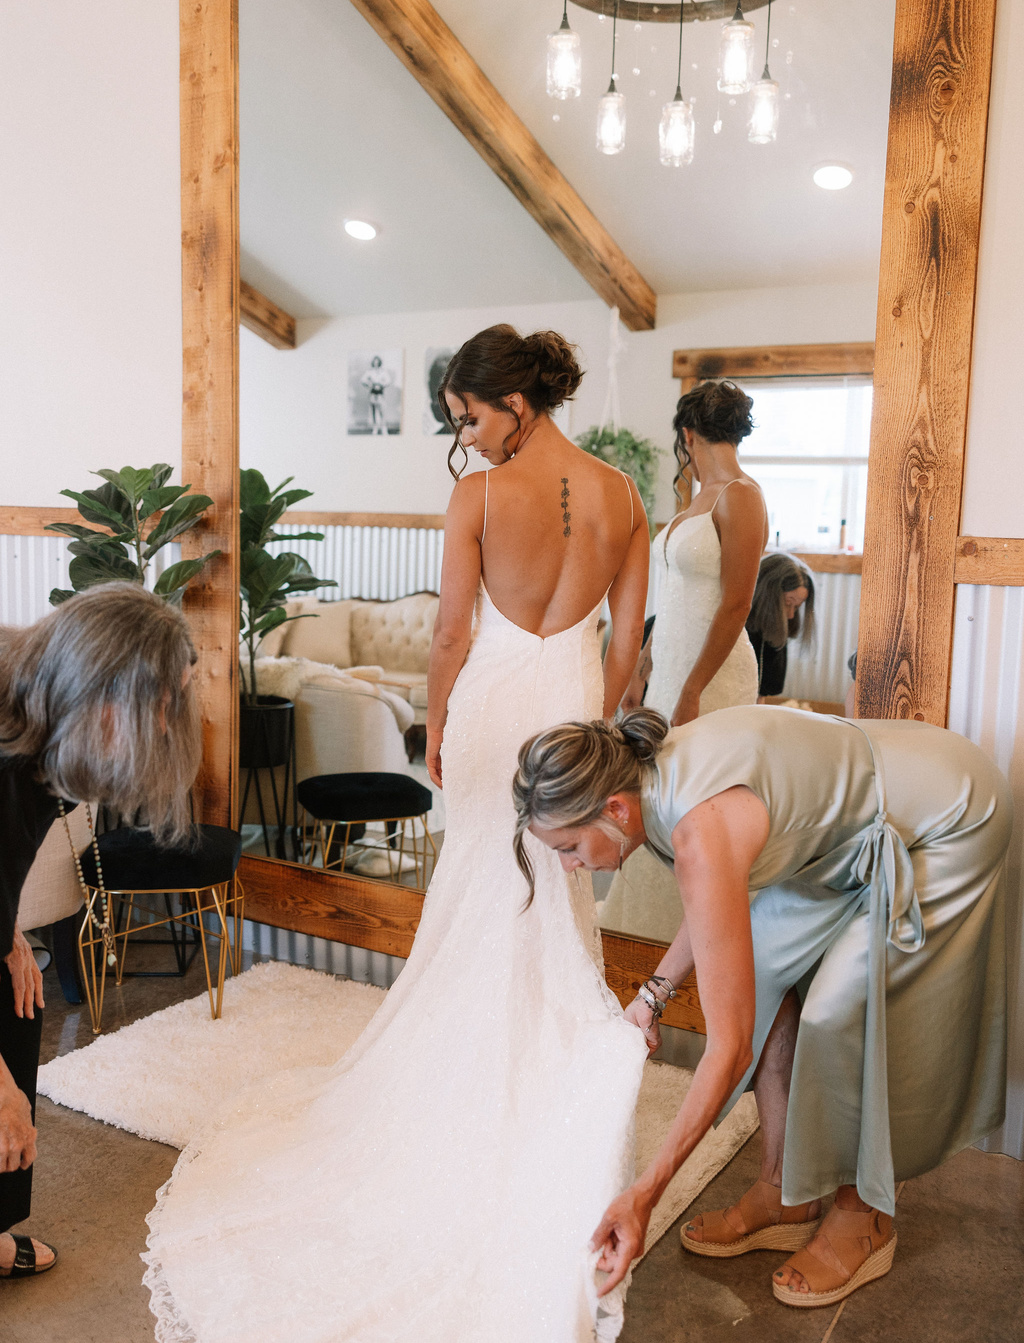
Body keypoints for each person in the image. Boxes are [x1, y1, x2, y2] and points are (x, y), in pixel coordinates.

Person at [143, 324, 652, 1341]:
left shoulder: (478, 498)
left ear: (517, 401)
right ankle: (535, 1100)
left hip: (495, 713)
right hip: (572, 716)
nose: (464, 438)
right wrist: (598, 737)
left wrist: (442, 725)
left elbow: (455, 630)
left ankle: (464, 1107)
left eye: (470, 416)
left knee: (477, 899)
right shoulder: (620, 495)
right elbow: (629, 640)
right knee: (553, 902)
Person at [514, 706, 1010, 1310]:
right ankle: (786, 1192)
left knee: (840, 1011)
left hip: (942, 815)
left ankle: (866, 1214)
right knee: (766, 972)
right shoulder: (651, 785)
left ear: (615, 809)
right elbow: (713, 905)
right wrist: (652, 996)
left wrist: (646, 1195)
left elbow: (730, 1049)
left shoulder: (698, 827)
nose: (569, 865)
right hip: (847, 818)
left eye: (568, 846)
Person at [0, 584, 200, 1280]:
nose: (170, 727)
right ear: (103, 694)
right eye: (162, 706)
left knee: (15, 995)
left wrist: (6, 933)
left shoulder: (39, 718)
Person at [597, 382, 767, 944]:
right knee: (658, 793)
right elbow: (672, 598)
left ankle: (695, 938)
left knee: (694, 803)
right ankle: (638, 932)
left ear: (687, 434)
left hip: (714, 676)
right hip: (669, 667)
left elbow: (736, 604)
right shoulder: (696, 498)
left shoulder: (741, 496)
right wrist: (642, 667)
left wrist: (693, 688)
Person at [745, 552, 815, 699]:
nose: (790, 615)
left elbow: (761, 694)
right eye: (787, 604)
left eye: (796, 607)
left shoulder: (775, 633)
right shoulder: (744, 632)